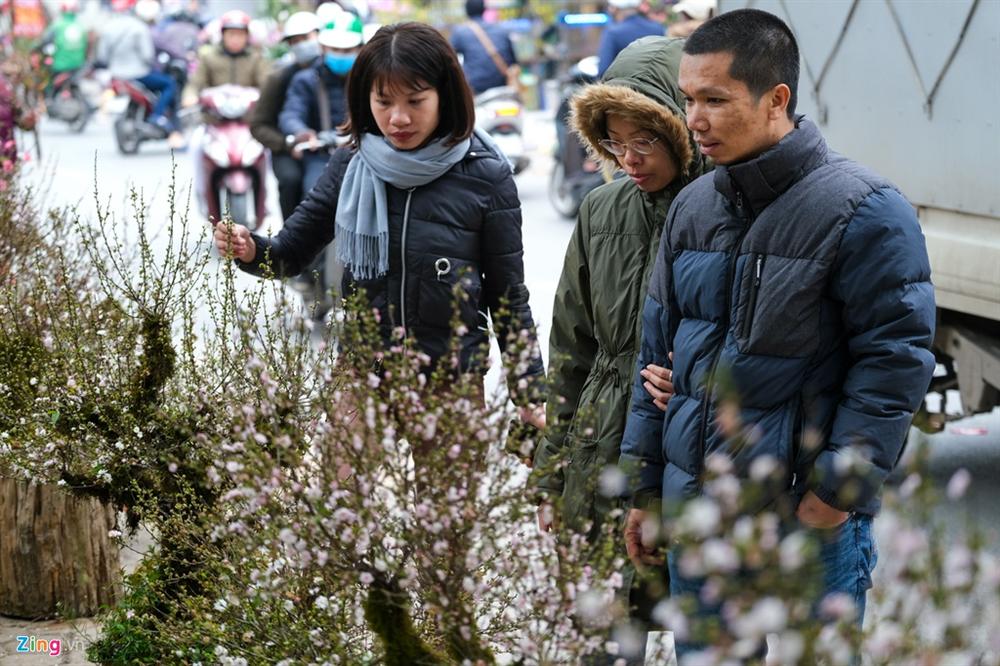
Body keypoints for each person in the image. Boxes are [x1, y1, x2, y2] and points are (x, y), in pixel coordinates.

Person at [618, 8, 935, 658]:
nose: (694, 120)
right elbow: (655, 357)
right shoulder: (694, 206)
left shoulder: (865, 210)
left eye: (714, 99)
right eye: (688, 99)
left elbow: (894, 363)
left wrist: (834, 497)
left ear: (776, 100)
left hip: (806, 525)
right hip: (701, 519)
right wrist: (646, 489)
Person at [213, 21, 545, 429]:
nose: (398, 118)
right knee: (341, 491)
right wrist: (251, 249)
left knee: (447, 496)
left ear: (446, 96)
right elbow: (291, 252)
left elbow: (508, 294)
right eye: (383, 101)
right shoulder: (352, 163)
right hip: (362, 368)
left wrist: (530, 392)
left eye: (416, 101)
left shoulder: (485, 175)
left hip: (450, 377)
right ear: (364, 98)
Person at [531, 36, 703, 665]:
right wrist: (551, 475)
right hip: (601, 443)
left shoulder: (723, 210)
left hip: (690, 450)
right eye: (615, 143)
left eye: (645, 141)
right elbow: (570, 348)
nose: (628, 159)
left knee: (704, 631)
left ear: (679, 129)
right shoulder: (600, 210)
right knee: (600, 638)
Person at [278, 12, 363, 194]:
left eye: (347, 50)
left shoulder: (368, 80)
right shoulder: (306, 80)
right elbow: (291, 113)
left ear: (360, 49)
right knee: (314, 194)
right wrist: (301, 132)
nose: (340, 55)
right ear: (323, 47)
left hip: (363, 154)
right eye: (335, 49)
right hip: (320, 156)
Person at [249, 10, 321, 221]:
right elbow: (259, 124)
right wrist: (288, 143)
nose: (301, 45)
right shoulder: (278, 78)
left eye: (306, 38)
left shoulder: (332, 72)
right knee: (291, 180)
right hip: (288, 149)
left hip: (326, 146)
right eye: (295, 41)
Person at [97, 0, 183, 145]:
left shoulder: (107, 28)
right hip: (138, 74)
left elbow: (102, 56)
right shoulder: (139, 27)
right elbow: (147, 56)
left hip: (116, 76)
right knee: (169, 84)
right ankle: (157, 115)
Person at [181, 10, 270, 106]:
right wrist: (190, 96)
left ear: (247, 36)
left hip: (249, 114)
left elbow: (266, 83)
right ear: (223, 35)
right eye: (231, 34)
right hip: (214, 114)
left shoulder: (256, 58)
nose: (235, 39)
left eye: (240, 34)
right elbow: (195, 83)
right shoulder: (209, 57)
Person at [449, 0, 518, 95]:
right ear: (484, 10)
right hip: (504, 86)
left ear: (466, 11)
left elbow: (449, 59)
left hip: (477, 89)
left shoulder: (460, 33)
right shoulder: (501, 30)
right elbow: (513, 61)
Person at [596, 0, 664, 77]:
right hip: (654, 87)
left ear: (615, 9)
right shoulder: (657, 28)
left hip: (622, 87)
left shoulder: (613, 33)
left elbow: (603, 70)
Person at [40, 0, 90, 77]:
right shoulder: (81, 26)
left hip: (59, 67)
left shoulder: (57, 25)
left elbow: (44, 41)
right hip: (78, 68)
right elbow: (86, 47)